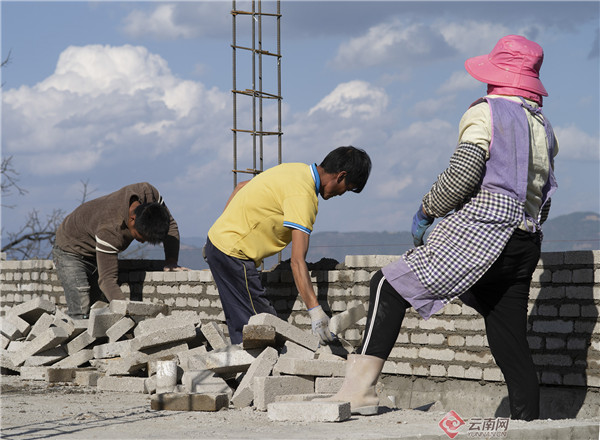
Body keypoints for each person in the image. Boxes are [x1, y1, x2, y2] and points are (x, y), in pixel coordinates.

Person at [325, 35, 558, 420]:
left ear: (496, 76)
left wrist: (427, 210)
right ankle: (526, 423)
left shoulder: (488, 113)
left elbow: (464, 174)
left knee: (388, 283)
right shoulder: (544, 128)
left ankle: (359, 391)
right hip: (526, 240)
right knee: (508, 336)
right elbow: (544, 198)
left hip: (484, 233)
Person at [205, 146, 372, 345]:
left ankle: (240, 371)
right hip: (234, 254)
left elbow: (241, 186)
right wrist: (316, 313)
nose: (343, 194)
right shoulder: (303, 197)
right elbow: (297, 262)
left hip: (219, 245)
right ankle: (255, 374)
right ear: (341, 176)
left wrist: (220, 231)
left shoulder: (295, 170)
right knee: (263, 331)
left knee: (244, 325)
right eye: (348, 187)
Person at [53, 182, 186, 319]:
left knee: (100, 307)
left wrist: (171, 261)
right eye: (140, 237)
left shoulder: (149, 195)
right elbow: (107, 280)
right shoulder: (110, 229)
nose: (142, 242)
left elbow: (170, 226)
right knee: (81, 309)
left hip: (96, 244)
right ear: (132, 219)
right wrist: (128, 315)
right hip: (70, 249)